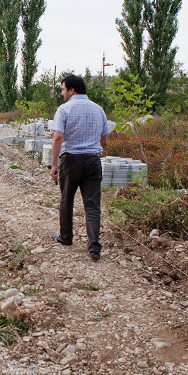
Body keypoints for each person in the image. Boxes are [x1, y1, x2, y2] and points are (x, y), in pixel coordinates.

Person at [49, 74, 111, 261]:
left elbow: (58, 137)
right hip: (93, 160)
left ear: (72, 90)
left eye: (63, 89)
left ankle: (66, 236)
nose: (62, 93)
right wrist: (92, 150)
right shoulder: (98, 110)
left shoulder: (64, 109)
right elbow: (104, 139)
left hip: (71, 160)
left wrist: (54, 164)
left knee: (67, 198)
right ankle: (94, 248)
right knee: (92, 205)